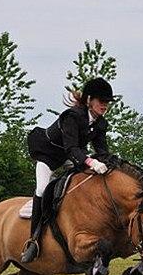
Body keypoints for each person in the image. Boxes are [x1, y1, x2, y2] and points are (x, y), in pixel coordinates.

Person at [21, 77, 114, 263]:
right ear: (89, 100)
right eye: (101, 101)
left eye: (107, 103)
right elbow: (72, 148)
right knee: (41, 189)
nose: (105, 106)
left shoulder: (100, 124)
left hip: (69, 158)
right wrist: (91, 162)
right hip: (48, 156)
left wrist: (112, 163)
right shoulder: (72, 116)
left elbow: (102, 151)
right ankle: (33, 241)